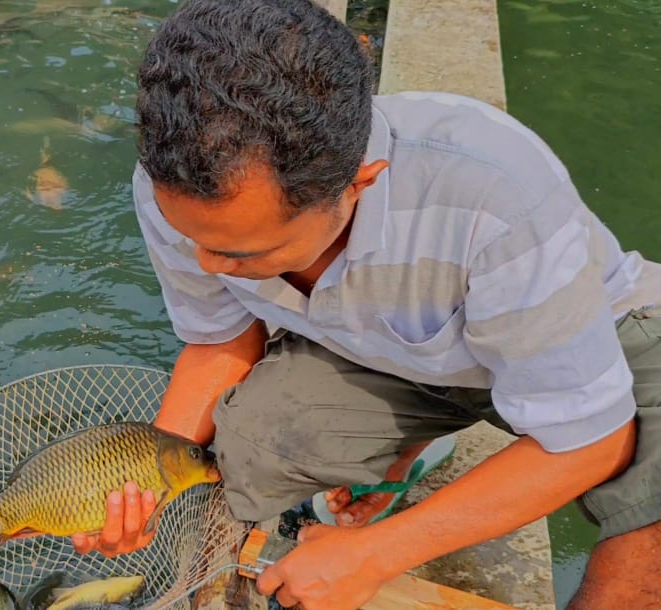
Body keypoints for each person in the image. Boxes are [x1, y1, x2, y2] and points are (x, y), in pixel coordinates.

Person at [68, 0, 661, 608]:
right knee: (248, 448)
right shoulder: (179, 184)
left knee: (646, 555)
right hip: (394, 353)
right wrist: (141, 482)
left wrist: (378, 553)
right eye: (193, 239)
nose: (207, 266)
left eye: (247, 253)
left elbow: (594, 438)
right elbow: (220, 338)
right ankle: (416, 443)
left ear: (360, 184)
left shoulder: (496, 192)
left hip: (606, 339)